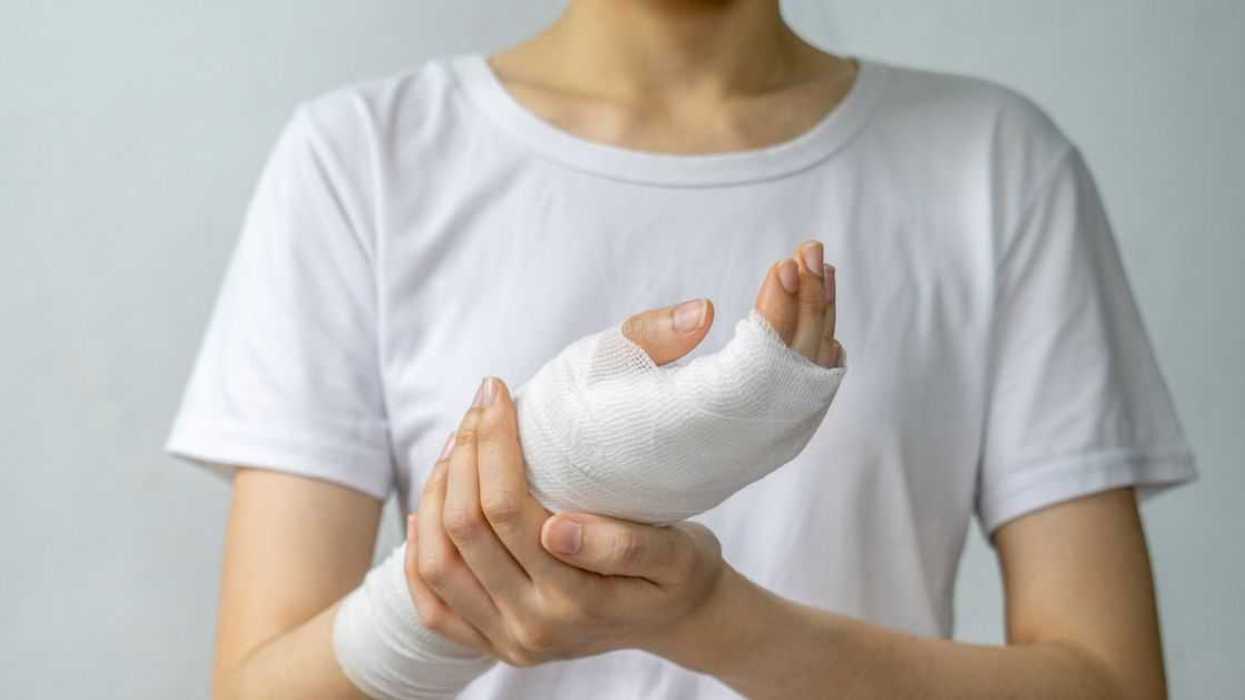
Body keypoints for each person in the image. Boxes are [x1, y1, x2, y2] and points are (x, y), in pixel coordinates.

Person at [164, 0, 1197, 697]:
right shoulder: (364, 161)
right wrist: (430, 609)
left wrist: (714, 621)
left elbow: (1108, 682)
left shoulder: (995, 165)